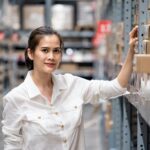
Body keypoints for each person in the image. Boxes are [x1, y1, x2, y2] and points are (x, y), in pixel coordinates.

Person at [2, 26, 138, 150]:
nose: (51, 57)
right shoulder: (16, 99)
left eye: (56, 51)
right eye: (45, 50)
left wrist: (131, 50)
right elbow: (12, 146)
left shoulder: (72, 84)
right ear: (30, 53)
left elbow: (117, 87)